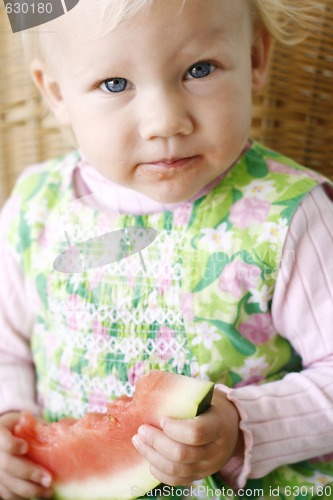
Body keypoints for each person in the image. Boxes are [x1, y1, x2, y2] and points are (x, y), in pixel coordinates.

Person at [0, 0, 332, 499]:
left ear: (256, 59)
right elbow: (7, 345)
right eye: (116, 84)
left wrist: (244, 426)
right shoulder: (33, 208)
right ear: (56, 93)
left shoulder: (290, 215)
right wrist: (8, 424)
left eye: (199, 70)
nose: (165, 122)